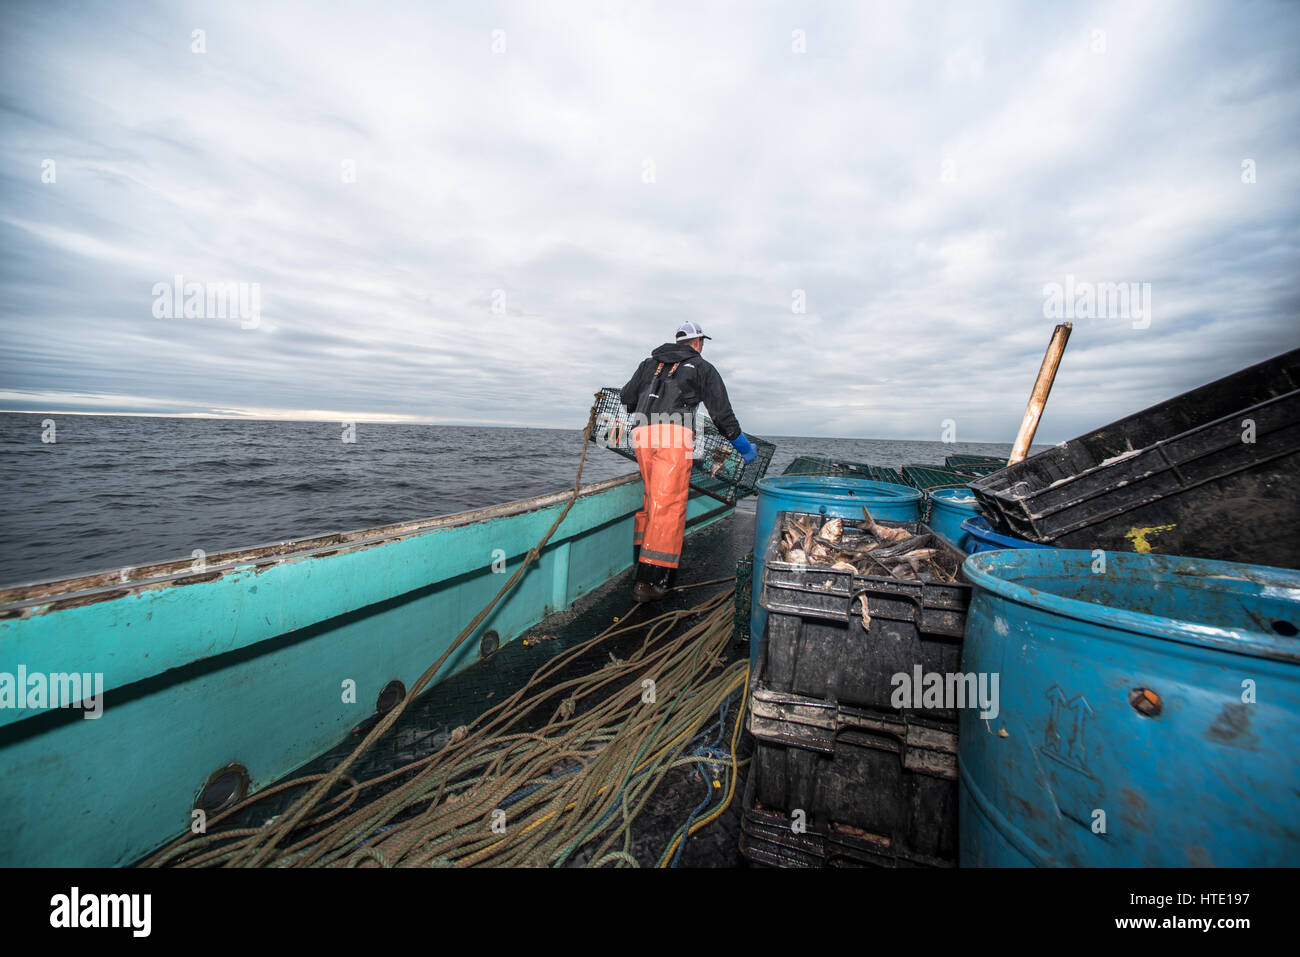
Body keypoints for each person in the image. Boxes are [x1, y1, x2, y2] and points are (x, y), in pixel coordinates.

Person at [619, 321, 757, 602]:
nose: (702, 347)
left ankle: (640, 565)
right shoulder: (702, 367)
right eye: (702, 342)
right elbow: (721, 413)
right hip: (673, 435)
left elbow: (626, 397)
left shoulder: (649, 363)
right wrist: (742, 446)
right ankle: (652, 583)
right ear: (697, 343)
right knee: (668, 506)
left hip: (642, 434)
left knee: (652, 498)